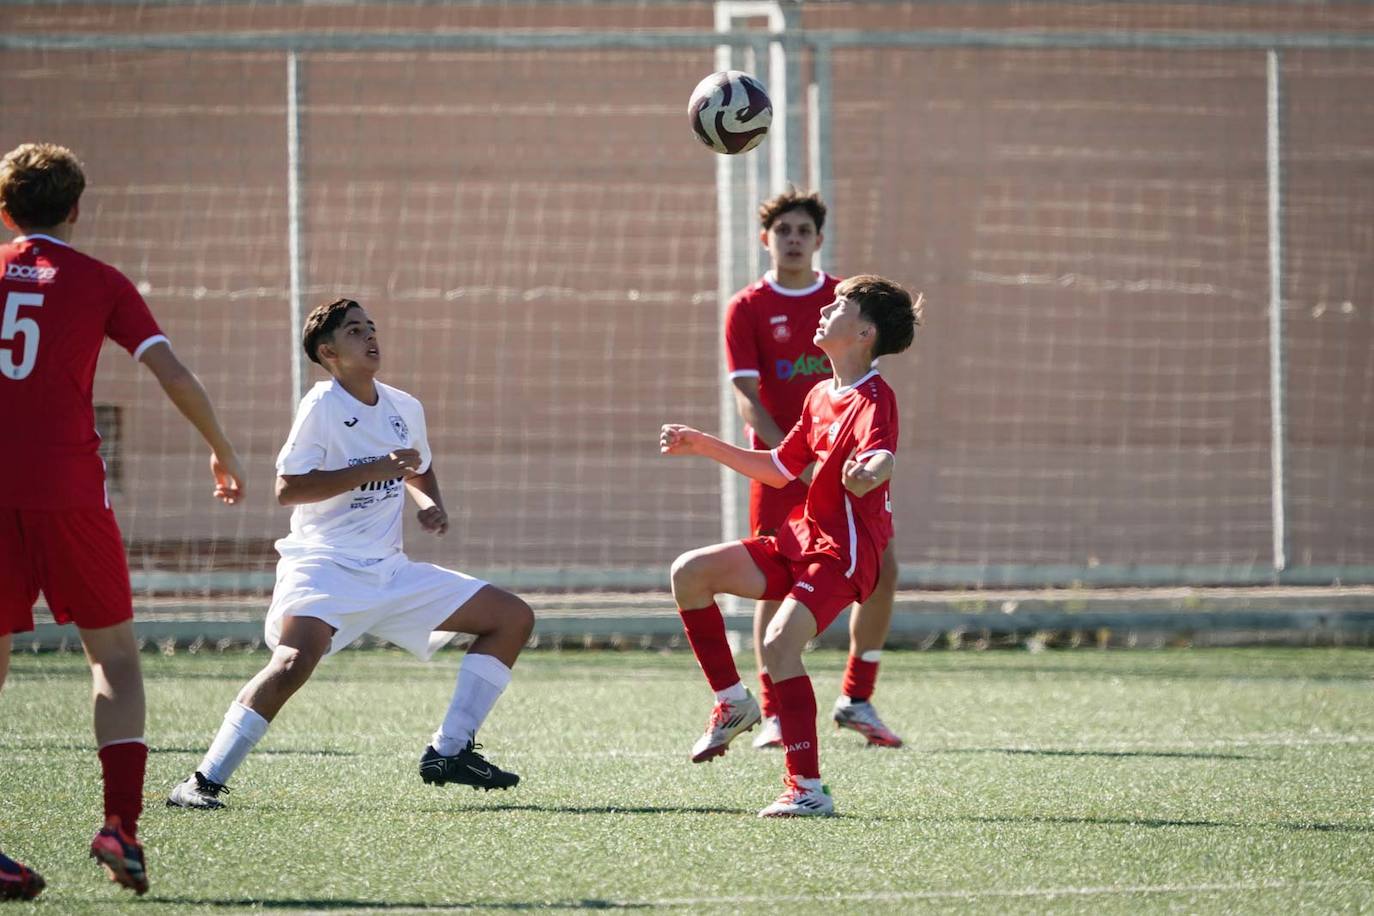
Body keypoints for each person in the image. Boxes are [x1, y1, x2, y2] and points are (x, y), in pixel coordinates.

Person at [167, 297, 534, 811]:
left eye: (371, 327)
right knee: (292, 663)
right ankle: (201, 783)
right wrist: (373, 468)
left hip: (390, 572)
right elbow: (288, 489)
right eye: (354, 331)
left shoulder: (405, 407)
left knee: (512, 617)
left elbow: (417, 467)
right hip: (324, 565)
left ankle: (449, 751)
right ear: (328, 353)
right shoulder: (322, 406)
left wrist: (430, 504)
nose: (370, 336)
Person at [0, 142, 247, 895]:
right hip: (69, 489)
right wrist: (221, 450)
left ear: (5, 211)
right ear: (76, 207)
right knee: (112, 657)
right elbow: (171, 372)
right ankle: (120, 826)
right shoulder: (102, 282)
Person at [662, 275, 921, 817]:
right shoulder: (820, 395)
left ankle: (807, 788)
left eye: (840, 306)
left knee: (780, 644)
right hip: (801, 540)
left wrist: (870, 472)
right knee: (690, 572)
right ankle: (732, 703)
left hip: (843, 555)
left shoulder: (876, 397)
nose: (825, 310)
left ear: (865, 333)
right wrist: (703, 444)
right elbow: (779, 469)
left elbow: (882, 455)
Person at [723, 188, 902, 749]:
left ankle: (857, 697)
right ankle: (774, 712)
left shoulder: (844, 302)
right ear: (766, 239)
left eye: (804, 231)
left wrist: (852, 462)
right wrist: (797, 461)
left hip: (842, 465)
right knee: (773, 582)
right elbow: (747, 396)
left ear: (819, 240)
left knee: (882, 569)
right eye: (784, 231)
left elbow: (867, 389)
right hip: (784, 464)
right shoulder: (747, 307)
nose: (794, 240)